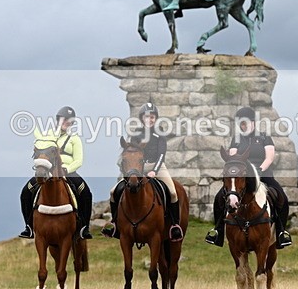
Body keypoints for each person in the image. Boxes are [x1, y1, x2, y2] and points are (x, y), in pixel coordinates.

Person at [205, 106, 293, 249]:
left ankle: (281, 232)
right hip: (243, 177)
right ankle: (218, 231)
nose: (243, 125)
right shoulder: (237, 140)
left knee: (281, 197)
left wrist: (258, 170)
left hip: (263, 175)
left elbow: (269, 158)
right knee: (219, 198)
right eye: (240, 123)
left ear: (253, 122)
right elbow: (233, 157)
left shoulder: (264, 137)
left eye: (245, 122)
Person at [102, 103, 184, 242]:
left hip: (157, 167)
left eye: (152, 117)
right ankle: (115, 223)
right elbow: (132, 154)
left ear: (155, 118)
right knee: (112, 192)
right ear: (142, 118)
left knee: (173, 193)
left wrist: (154, 171)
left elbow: (161, 155)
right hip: (138, 168)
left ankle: (174, 225)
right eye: (147, 116)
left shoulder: (160, 134)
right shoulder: (136, 134)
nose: (149, 119)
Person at [19, 106, 93, 240]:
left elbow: (78, 160)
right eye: (64, 119)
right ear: (58, 120)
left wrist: (66, 169)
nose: (66, 123)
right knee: (26, 192)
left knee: (86, 193)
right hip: (47, 171)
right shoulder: (48, 135)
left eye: (69, 121)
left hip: (68, 172)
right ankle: (29, 227)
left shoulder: (74, 139)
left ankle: (84, 227)